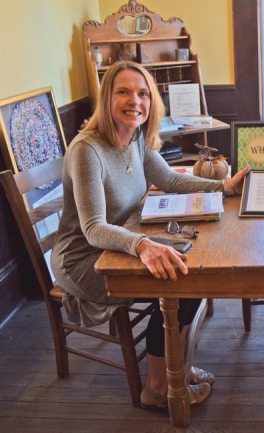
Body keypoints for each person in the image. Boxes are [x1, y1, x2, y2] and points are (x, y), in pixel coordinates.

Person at [50, 61, 250, 410]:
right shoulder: (87, 150)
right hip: (84, 257)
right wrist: (142, 245)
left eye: (143, 93)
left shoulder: (136, 136)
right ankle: (158, 386)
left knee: (188, 272)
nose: (135, 101)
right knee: (172, 282)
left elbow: (170, 179)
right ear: (106, 98)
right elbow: (93, 227)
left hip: (124, 237)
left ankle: (177, 367)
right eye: (123, 92)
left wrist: (224, 186)